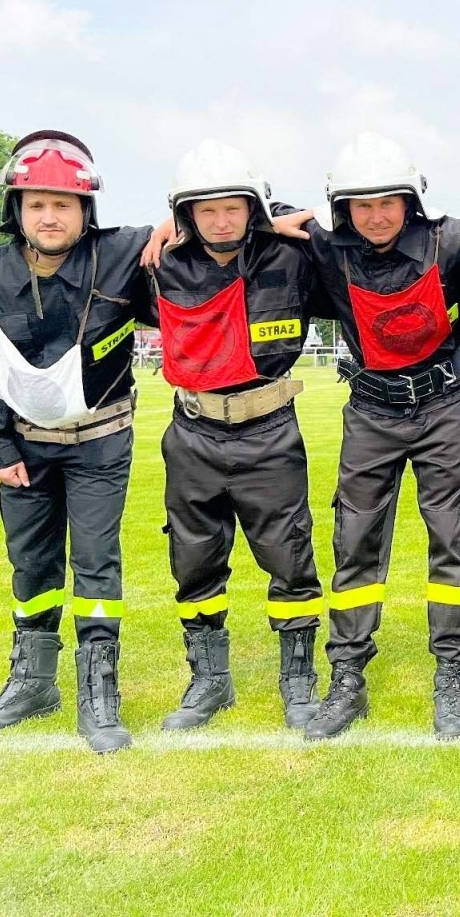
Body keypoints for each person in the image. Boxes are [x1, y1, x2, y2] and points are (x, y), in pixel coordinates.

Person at [266, 133, 460, 740]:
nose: (375, 216)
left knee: (451, 538)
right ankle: (348, 677)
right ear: (342, 208)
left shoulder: (454, 239)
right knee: (356, 540)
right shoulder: (326, 248)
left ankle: (451, 673)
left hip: (444, 407)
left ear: (411, 200)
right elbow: (232, 214)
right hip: (370, 410)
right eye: (361, 205)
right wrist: (166, 229)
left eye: (387, 202)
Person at [0, 131, 154, 753]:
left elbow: (208, 224)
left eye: (63, 204)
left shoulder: (124, 253)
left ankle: (99, 693)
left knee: (96, 563)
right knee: (33, 566)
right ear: (17, 209)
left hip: (101, 442)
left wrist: (268, 215)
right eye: (36, 203)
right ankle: (33, 681)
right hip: (24, 449)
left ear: (86, 210)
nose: (49, 216)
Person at [147, 141, 329, 731]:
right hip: (193, 432)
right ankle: (208, 680)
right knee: (194, 559)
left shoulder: (293, 255)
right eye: (206, 211)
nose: (221, 221)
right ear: (186, 216)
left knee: (289, 555)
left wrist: (288, 215)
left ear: (254, 207)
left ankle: (298, 681)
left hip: (270, 430)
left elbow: (364, 235)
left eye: (234, 208)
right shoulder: (159, 261)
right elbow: (82, 246)